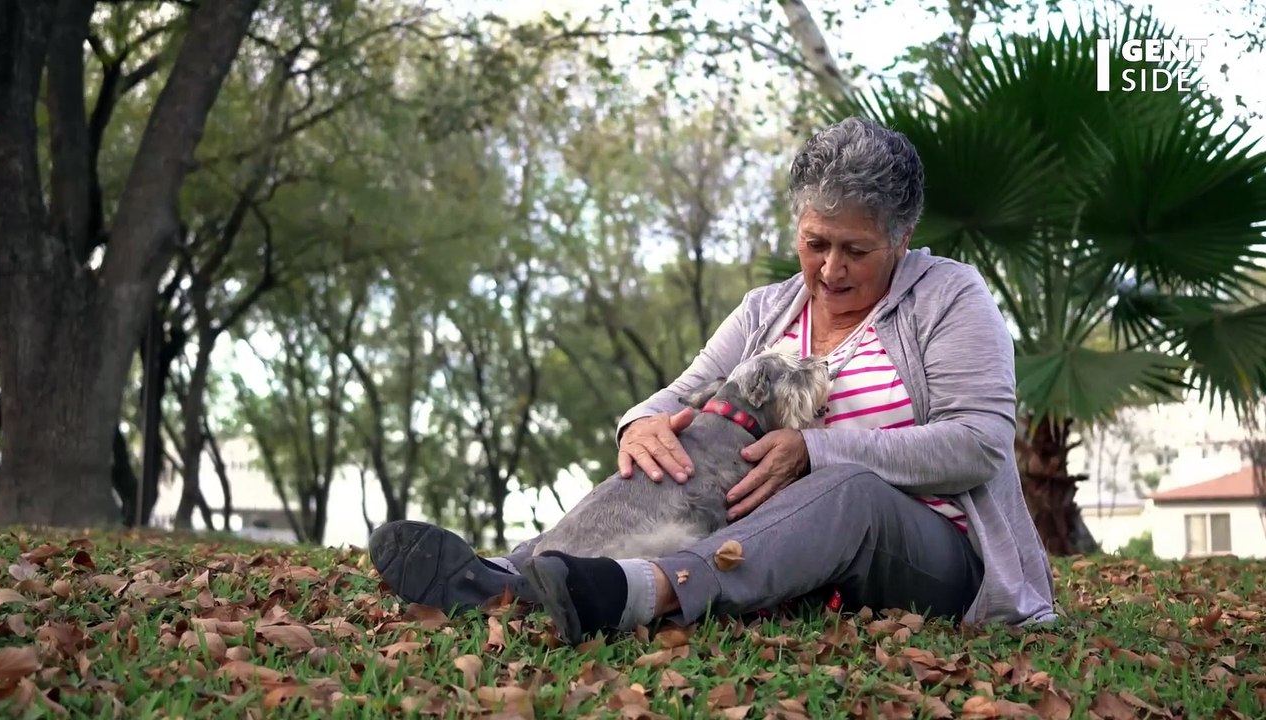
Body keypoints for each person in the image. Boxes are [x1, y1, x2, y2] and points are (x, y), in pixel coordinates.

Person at [367, 117, 1058, 641]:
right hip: (773, 549)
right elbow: (681, 393)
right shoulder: (768, 309)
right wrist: (641, 424)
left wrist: (817, 449)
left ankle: (642, 593)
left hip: (926, 554)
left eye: (857, 250)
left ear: (903, 239)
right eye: (816, 243)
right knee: (681, 446)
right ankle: (509, 576)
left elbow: (979, 445)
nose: (830, 270)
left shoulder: (949, 297)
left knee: (847, 488)